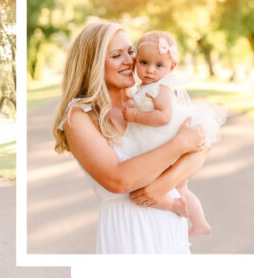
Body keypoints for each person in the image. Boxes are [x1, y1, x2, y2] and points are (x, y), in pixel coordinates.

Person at [52, 20, 208, 253]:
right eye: (116, 55)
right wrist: (179, 144)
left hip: (171, 229)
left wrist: (163, 185)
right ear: (92, 65)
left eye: (130, 51)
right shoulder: (79, 116)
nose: (130, 60)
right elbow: (118, 180)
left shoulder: (145, 97)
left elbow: (201, 144)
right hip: (130, 233)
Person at [123, 30, 225, 237]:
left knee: (157, 187)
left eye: (158, 65)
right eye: (143, 63)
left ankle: (178, 208)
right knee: (181, 187)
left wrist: (134, 116)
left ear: (172, 67)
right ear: (135, 61)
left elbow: (164, 117)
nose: (150, 70)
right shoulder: (147, 86)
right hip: (160, 138)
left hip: (165, 137)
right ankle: (198, 222)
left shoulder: (160, 89)